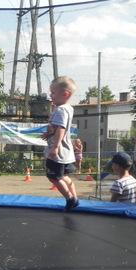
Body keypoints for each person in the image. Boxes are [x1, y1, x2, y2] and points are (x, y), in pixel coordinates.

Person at [42, 76, 79, 211]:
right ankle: (75, 197)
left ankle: (70, 198)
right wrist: (49, 134)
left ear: (65, 94)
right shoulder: (68, 108)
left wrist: (55, 147)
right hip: (66, 152)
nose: (50, 95)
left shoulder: (61, 110)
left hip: (58, 151)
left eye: (53, 92)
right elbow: (57, 128)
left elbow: (61, 129)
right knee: (63, 176)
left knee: (53, 177)